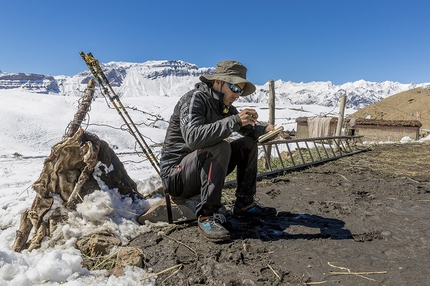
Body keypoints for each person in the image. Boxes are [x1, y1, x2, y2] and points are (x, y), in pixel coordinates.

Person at [159, 60, 277, 242]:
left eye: (240, 90)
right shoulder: (194, 99)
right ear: (219, 82)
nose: (238, 94)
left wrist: (265, 131)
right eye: (235, 88)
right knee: (221, 146)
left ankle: (244, 204)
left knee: (248, 143)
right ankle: (207, 216)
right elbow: (193, 138)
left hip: (200, 171)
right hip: (176, 176)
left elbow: (246, 130)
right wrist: (235, 120)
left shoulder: (223, 105)